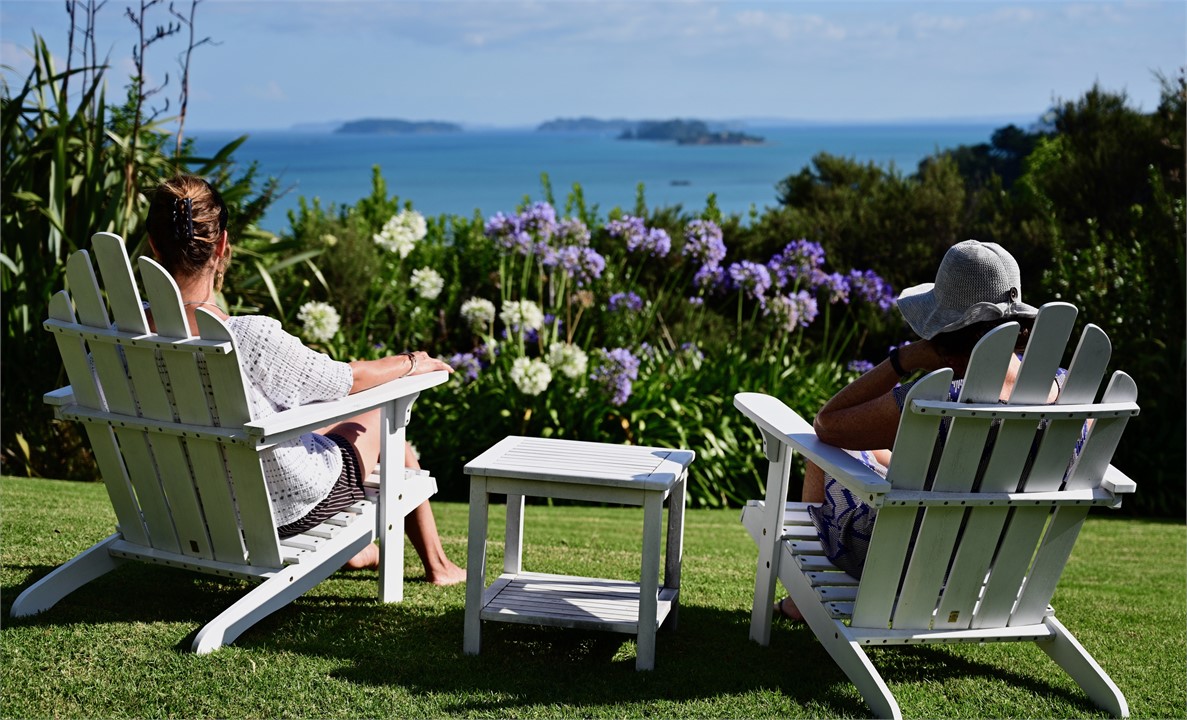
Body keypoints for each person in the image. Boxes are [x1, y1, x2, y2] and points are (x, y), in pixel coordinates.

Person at [144, 174, 465, 584]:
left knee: (331, 423)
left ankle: (363, 553)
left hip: (186, 507)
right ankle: (439, 567)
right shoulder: (247, 337)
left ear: (154, 247)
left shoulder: (120, 340)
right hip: (282, 507)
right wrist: (411, 362)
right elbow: (345, 379)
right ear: (222, 245)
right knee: (386, 420)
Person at [774, 239, 1053, 622]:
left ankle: (800, 600)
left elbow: (827, 424)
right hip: (988, 559)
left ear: (946, 333)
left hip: (896, 555)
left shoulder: (937, 399)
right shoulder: (1061, 395)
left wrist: (903, 360)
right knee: (881, 454)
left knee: (822, 452)